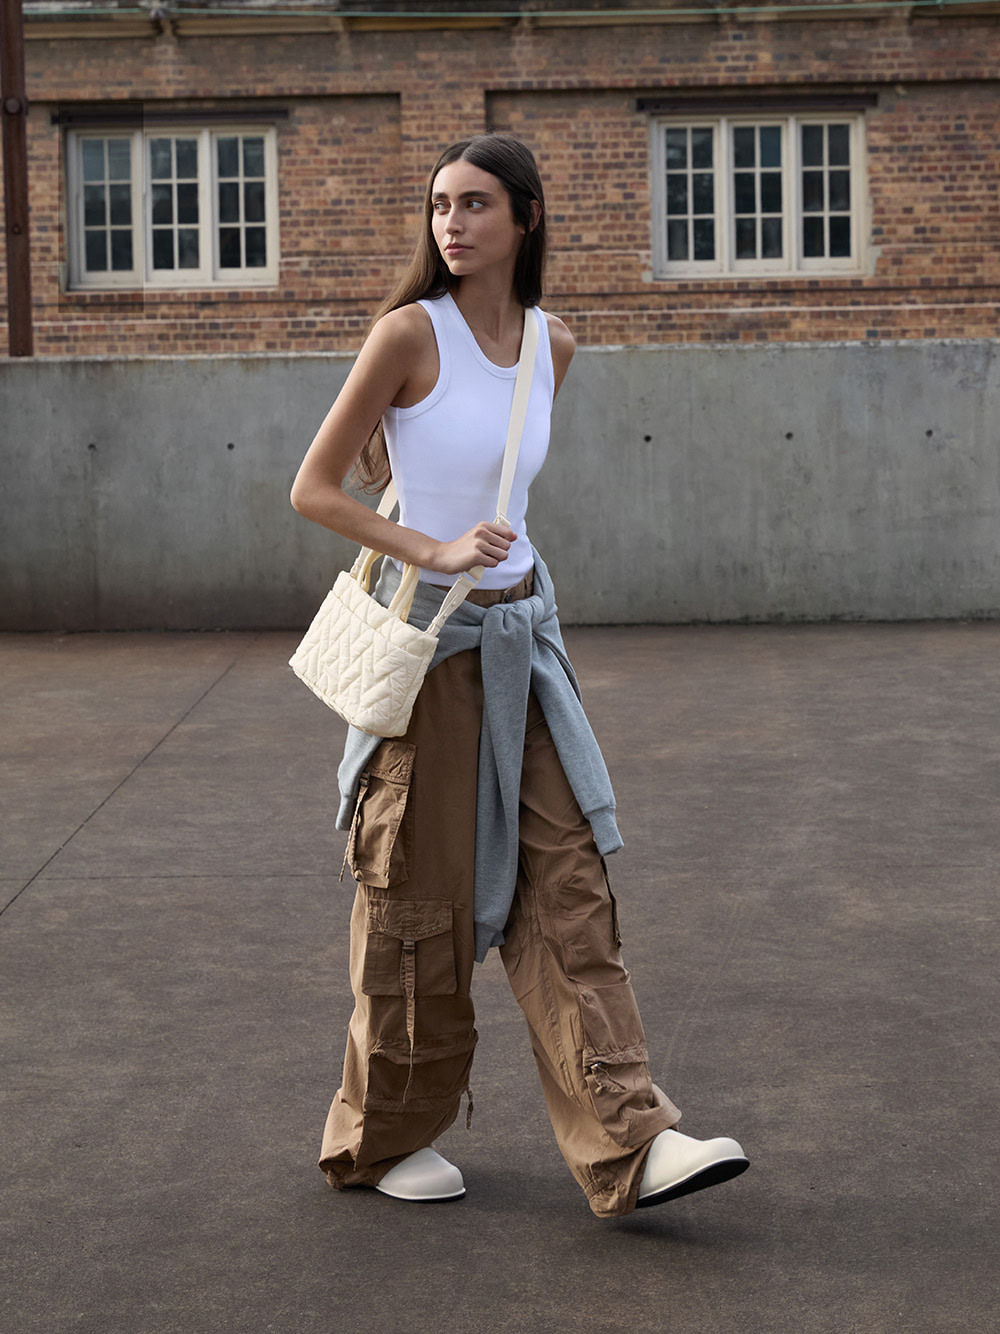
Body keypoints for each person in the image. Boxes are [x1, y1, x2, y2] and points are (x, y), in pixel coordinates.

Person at [290, 133, 748, 1218]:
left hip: (526, 649)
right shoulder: (408, 333)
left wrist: (502, 572)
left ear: (526, 219)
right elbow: (315, 488)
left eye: (476, 203)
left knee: (570, 884)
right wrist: (438, 551)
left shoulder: (555, 344)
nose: (451, 222)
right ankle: (380, 1135)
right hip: (432, 651)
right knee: (417, 901)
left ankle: (632, 1141)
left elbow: (515, 493)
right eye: (440, 203)